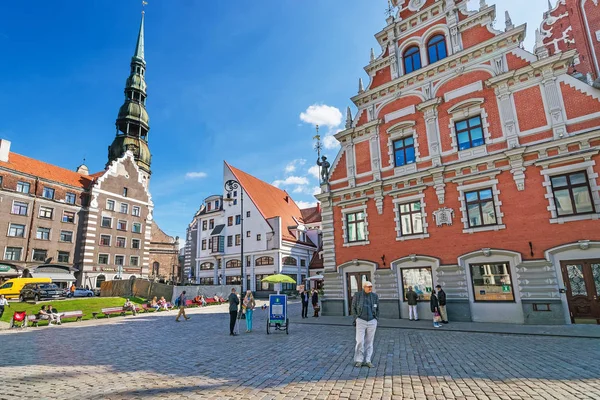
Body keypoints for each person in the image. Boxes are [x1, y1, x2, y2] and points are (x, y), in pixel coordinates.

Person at [351, 281, 379, 368]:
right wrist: (356, 317)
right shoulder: (358, 295)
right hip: (361, 320)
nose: (370, 288)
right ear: (364, 287)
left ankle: (368, 360)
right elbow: (353, 306)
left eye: (371, 286)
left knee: (369, 342)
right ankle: (359, 360)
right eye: (368, 286)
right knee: (360, 341)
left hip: (372, 321)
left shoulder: (374, 296)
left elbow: (377, 308)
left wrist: (376, 318)